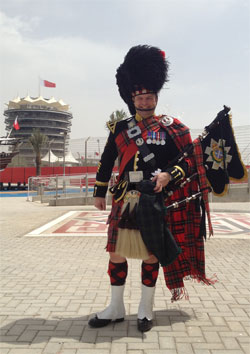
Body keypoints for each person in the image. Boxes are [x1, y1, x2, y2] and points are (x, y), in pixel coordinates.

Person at [88, 45, 214, 332]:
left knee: (151, 254)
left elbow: (187, 163)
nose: (145, 102)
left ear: (156, 97)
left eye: (149, 97)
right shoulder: (119, 128)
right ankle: (116, 307)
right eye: (140, 97)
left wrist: (170, 175)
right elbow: (107, 161)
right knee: (116, 253)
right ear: (132, 98)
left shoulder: (173, 127)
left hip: (153, 199)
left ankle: (146, 308)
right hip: (124, 198)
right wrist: (99, 192)